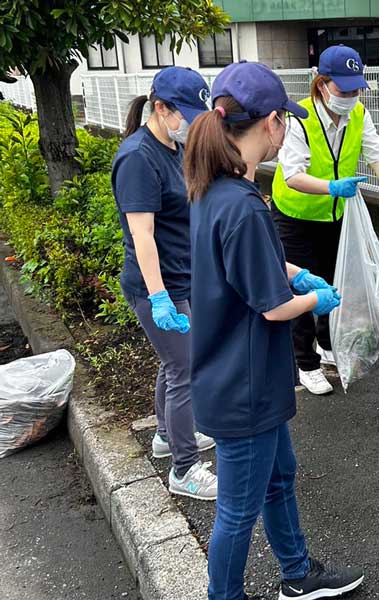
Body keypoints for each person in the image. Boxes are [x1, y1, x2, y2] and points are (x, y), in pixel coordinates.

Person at [184, 61, 364, 600]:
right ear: (269, 125)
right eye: (284, 120)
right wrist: (317, 296)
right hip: (244, 384)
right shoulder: (240, 205)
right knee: (237, 512)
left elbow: (254, 264)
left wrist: (293, 271)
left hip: (244, 377)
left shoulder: (214, 190)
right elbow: (272, 309)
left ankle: (298, 574)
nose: (286, 128)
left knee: (280, 477)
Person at [111, 66, 217, 501]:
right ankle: (184, 467)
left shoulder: (172, 146)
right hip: (157, 285)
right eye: (185, 113)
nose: (191, 122)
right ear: (160, 108)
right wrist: (159, 297)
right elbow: (142, 235)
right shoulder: (138, 157)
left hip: (180, 276)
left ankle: (164, 436)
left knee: (173, 362)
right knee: (184, 369)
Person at [272, 45, 379, 396]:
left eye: (356, 88)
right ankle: (306, 364)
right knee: (302, 287)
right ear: (322, 83)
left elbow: (377, 153)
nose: (351, 96)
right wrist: (331, 186)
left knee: (332, 283)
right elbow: (292, 175)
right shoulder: (299, 117)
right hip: (296, 216)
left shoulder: (359, 113)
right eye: (344, 89)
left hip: (335, 216)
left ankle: (326, 344)